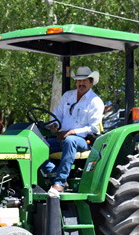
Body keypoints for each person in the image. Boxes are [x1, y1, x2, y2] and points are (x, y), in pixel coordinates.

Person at [42, 66, 104, 195]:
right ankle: (54, 174)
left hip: (84, 141)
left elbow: (94, 128)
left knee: (70, 141)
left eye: (85, 80)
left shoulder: (95, 102)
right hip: (62, 138)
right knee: (36, 146)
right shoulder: (68, 96)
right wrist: (54, 126)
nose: (81, 83)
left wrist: (72, 132)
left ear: (91, 82)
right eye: (78, 80)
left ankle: (59, 181)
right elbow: (58, 115)